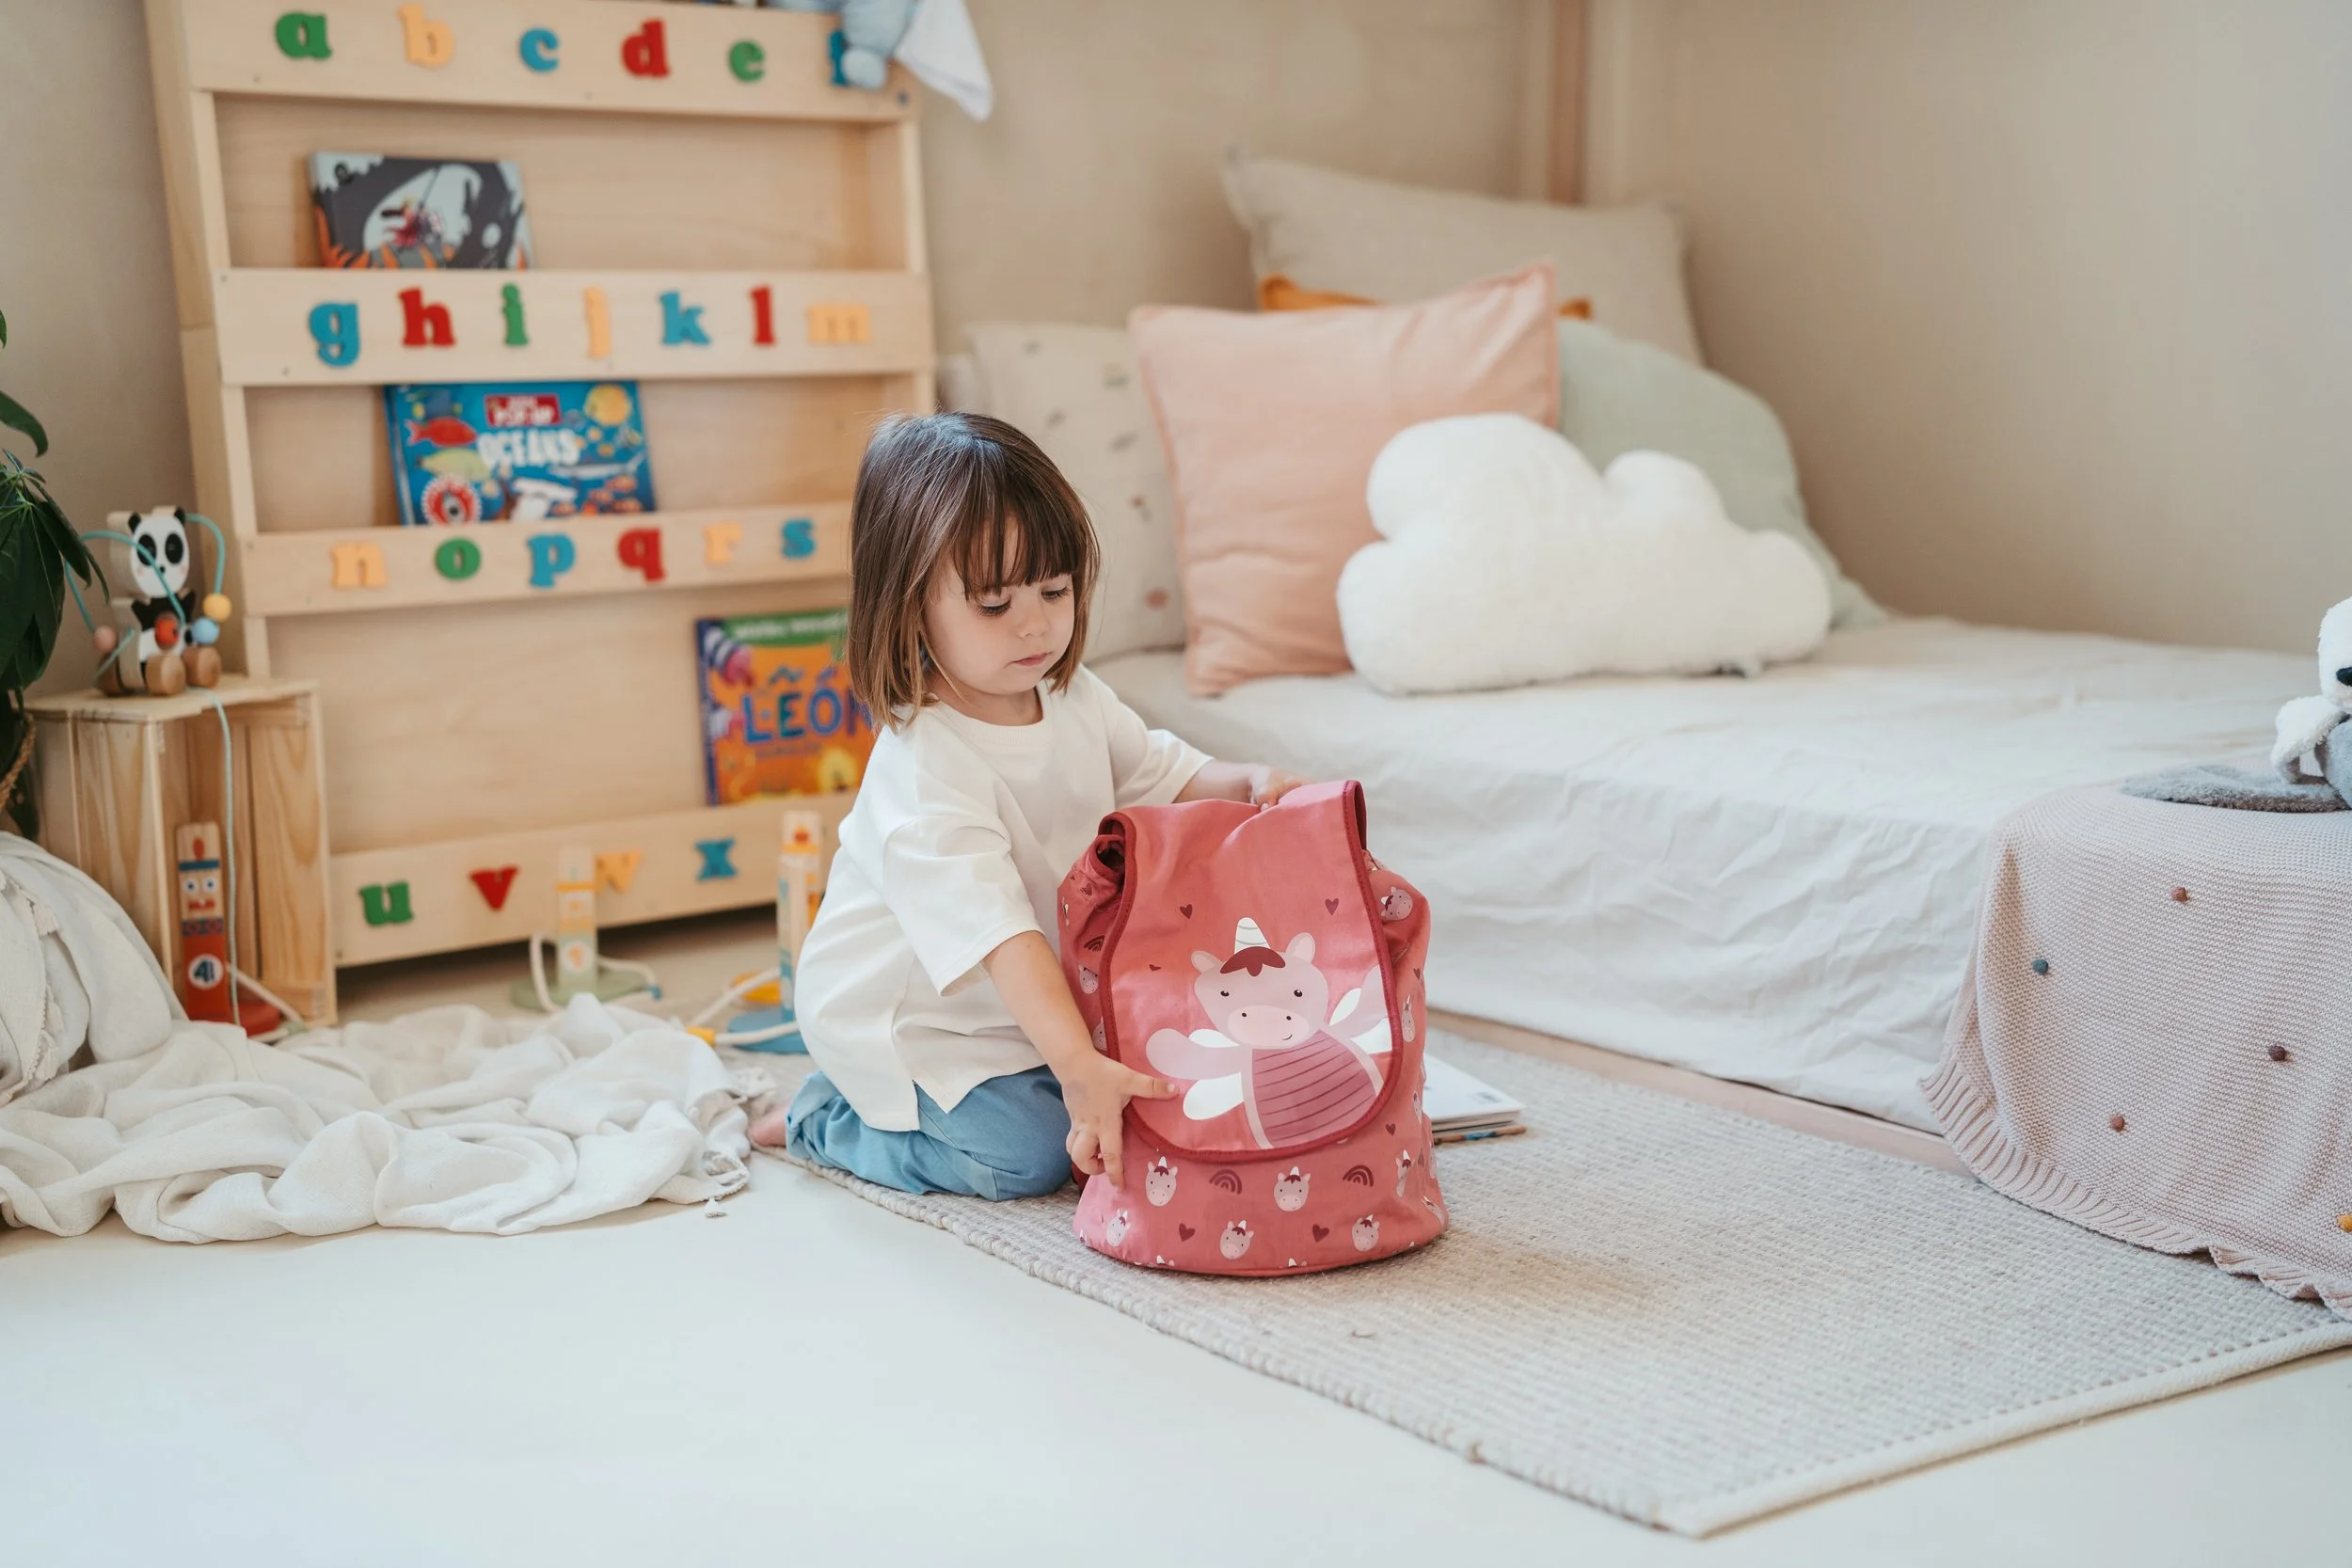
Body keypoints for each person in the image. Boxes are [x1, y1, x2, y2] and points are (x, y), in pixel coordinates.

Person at [749, 412, 1305, 1198]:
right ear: (911, 609)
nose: (1037, 622)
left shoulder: (1071, 697)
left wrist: (1248, 782)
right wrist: (1077, 1069)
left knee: (1172, 1084)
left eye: (1054, 589)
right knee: (1028, 1154)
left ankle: (1031, 1071)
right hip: (921, 1024)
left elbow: (1162, 774)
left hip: (1026, 1004)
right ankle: (825, 1119)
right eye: (994, 604)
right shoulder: (925, 765)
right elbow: (1001, 936)